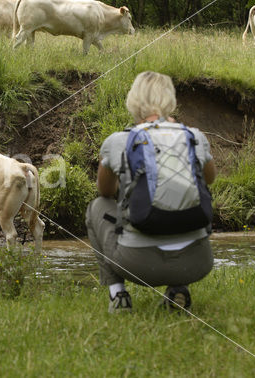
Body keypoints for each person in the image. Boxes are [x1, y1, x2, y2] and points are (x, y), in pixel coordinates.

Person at [86, 71, 217, 313]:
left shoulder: (118, 141)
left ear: (133, 102)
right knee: (186, 196)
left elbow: (105, 191)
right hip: (198, 262)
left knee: (97, 207)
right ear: (171, 101)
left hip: (137, 264)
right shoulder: (194, 137)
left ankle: (118, 295)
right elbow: (209, 179)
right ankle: (179, 289)